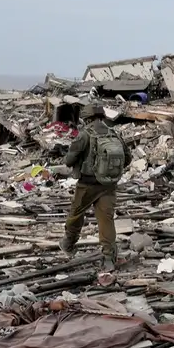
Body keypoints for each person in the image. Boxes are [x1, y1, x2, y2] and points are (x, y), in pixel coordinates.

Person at [60, 103, 131, 268]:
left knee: (76, 214)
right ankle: (108, 258)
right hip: (109, 185)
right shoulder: (114, 134)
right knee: (106, 220)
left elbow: (69, 161)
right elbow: (127, 159)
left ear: (86, 118)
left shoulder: (84, 135)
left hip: (87, 184)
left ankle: (68, 243)